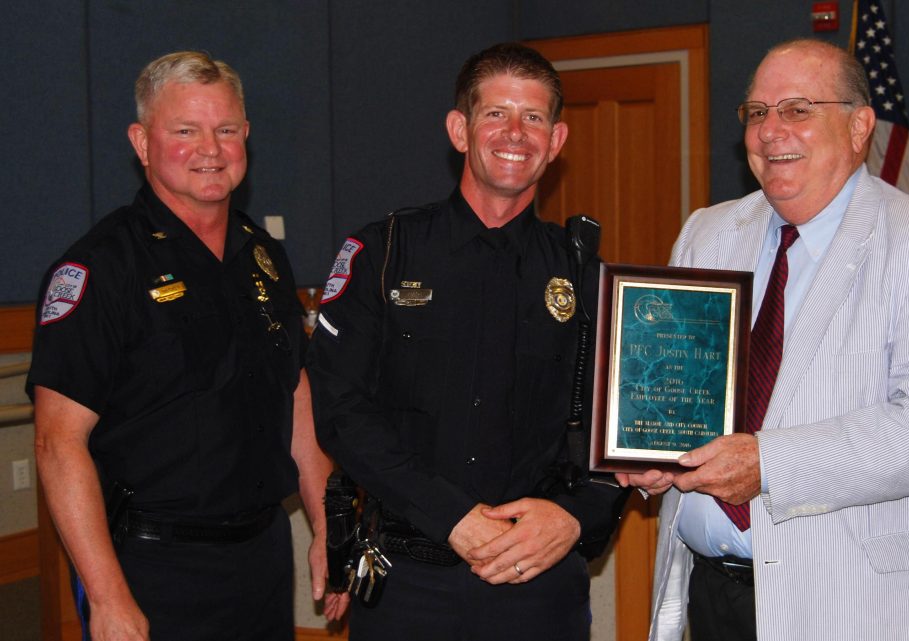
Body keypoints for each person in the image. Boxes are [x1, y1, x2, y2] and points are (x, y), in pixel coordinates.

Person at [618, 39, 909, 641]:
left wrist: (767, 464)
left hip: (859, 604)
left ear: (859, 126)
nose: (771, 131)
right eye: (757, 113)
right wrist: (656, 453)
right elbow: (681, 390)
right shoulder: (708, 233)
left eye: (797, 109)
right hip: (711, 595)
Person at [307, 42, 628, 641]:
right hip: (408, 581)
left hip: (538, 583)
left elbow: (624, 426)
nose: (516, 133)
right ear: (460, 130)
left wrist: (577, 517)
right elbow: (340, 409)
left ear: (556, 141)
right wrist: (448, 516)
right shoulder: (384, 253)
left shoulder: (585, 275)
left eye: (534, 117)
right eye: (495, 114)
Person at [29, 51, 347, 641]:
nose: (210, 148)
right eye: (185, 131)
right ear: (142, 142)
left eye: (226, 130)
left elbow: (294, 389)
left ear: (246, 136)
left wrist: (328, 522)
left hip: (261, 556)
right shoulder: (101, 268)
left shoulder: (264, 255)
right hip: (153, 566)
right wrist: (107, 596)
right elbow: (56, 441)